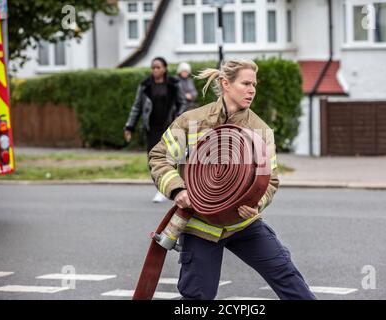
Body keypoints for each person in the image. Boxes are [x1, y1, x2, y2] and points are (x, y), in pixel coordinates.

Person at [148, 59, 316, 300]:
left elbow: (271, 180)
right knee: (198, 298)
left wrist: (257, 204)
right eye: (246, 83)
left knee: (286, 275)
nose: (252, 90)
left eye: (254, 85)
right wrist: (178, 191)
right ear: (226, 84)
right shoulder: (191, 121)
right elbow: (160, 158)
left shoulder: (260, 130)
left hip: (242, 224)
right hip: (201, 227)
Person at [124, 57, 187, 203]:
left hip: (172, 128)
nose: (155, 70)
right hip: (152, 128)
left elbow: (182, 102)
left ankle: (179, 188)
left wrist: (178, 119)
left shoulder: (174, 84)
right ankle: (160, 189)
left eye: (158, 67)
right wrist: (129, 126)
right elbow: (137, 107)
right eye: (153, 68)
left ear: (164, 68)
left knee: (177, 158)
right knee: (154, 160)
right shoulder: (145, 85)